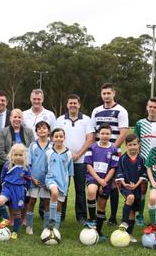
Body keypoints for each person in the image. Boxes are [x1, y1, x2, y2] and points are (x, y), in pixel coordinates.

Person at [91, 83, 129, 225]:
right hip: (98, 153)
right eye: (104, 93)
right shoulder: (96, 111)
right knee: (96, 181)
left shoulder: (121, 111)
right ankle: (98, 214)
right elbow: (94, 132)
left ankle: (113, 217)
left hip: (113, 153)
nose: (106, 96)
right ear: (101, 95)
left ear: (114, 94)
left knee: (113, 184)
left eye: (109, 93)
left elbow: (124, 132)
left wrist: (112, 148)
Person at [56, 94, 93, 225]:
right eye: (70, 103)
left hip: (81, 161)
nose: (72, 105)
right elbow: (56, 137)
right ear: (67, 105)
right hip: (64, 160)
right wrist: (68, 153)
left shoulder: (86, 119)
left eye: (75, 103)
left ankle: (81, 217)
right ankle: (60, 215)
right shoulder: (60, 119)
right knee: (62, 188)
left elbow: (90, 139)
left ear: (79, 104)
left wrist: (78, 154)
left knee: (80, 190)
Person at [85, 125, 119, 240]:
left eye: (107, 134)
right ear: (98, 135)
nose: (104, 136)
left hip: (106, 180)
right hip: (93, 177)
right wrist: (98, 180)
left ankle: (98, 231)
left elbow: (113, 168)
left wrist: (104, 181)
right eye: (102, 133)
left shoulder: (113, 149)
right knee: (91, 191)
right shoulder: (92, 147)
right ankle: (92, 220)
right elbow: (89, 165)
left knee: (102, 205)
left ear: (111, 135)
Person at [133, 97, 156, 226]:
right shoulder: (140, 123)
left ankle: (155, 217)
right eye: (150, 106)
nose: (152, 109)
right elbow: (135, 142)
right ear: (147, 107)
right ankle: (139, 215)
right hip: (143, 162)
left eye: (155, 107)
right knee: (142, 190)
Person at [0, 144, 31, 239]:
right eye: (16, 155)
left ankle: (15, 231)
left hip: (19, 190)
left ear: (24, 156)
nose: (18, 157)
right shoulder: (8, 165)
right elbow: (2, 176)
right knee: (0, 201)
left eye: (20, 155)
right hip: (7, 187)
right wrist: (3, 185)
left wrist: (25, 189)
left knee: (17, 212)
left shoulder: (26, 168)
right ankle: (6, 218)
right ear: (11, 155)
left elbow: (28, 180)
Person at [115, 134, 147, 241]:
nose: (132, 147)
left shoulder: (142, 159)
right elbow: (119, 172)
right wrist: (124, 183)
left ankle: (129, 234)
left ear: (139, 145)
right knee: (130, 198)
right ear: (126, 145)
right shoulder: (123, 159)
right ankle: (124, 222)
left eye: (135, 144)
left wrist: (137, 184)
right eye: (130, 145)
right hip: (126, 186)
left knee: (133, 211)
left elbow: (144, 174)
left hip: (137, 186)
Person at [44, 128, 74, 231]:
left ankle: (55, 229)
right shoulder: (48, 152)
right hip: (51, 179)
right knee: (54, 193)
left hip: (63, 182)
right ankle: (50, 220)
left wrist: (67, 183)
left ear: (64, 138)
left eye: (61, 136)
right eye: (56, 136)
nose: (59, 139)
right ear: (52, 138)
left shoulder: (68, 153)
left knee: (59, 206)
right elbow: (45, 167)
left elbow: (70, 171)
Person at [25, 121, 52, 235]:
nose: (42, 130)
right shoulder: (32, 145)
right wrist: (32, 178)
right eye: (39, 128)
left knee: (46, 202)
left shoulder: (52, 145)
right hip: (34, 179)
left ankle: (46, 227)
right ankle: (29, 226)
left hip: (47, 179)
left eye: (44, 128)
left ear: (48, 131)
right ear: (36, 132)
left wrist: (49, 178)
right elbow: (28, 164)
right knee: (32, 201)